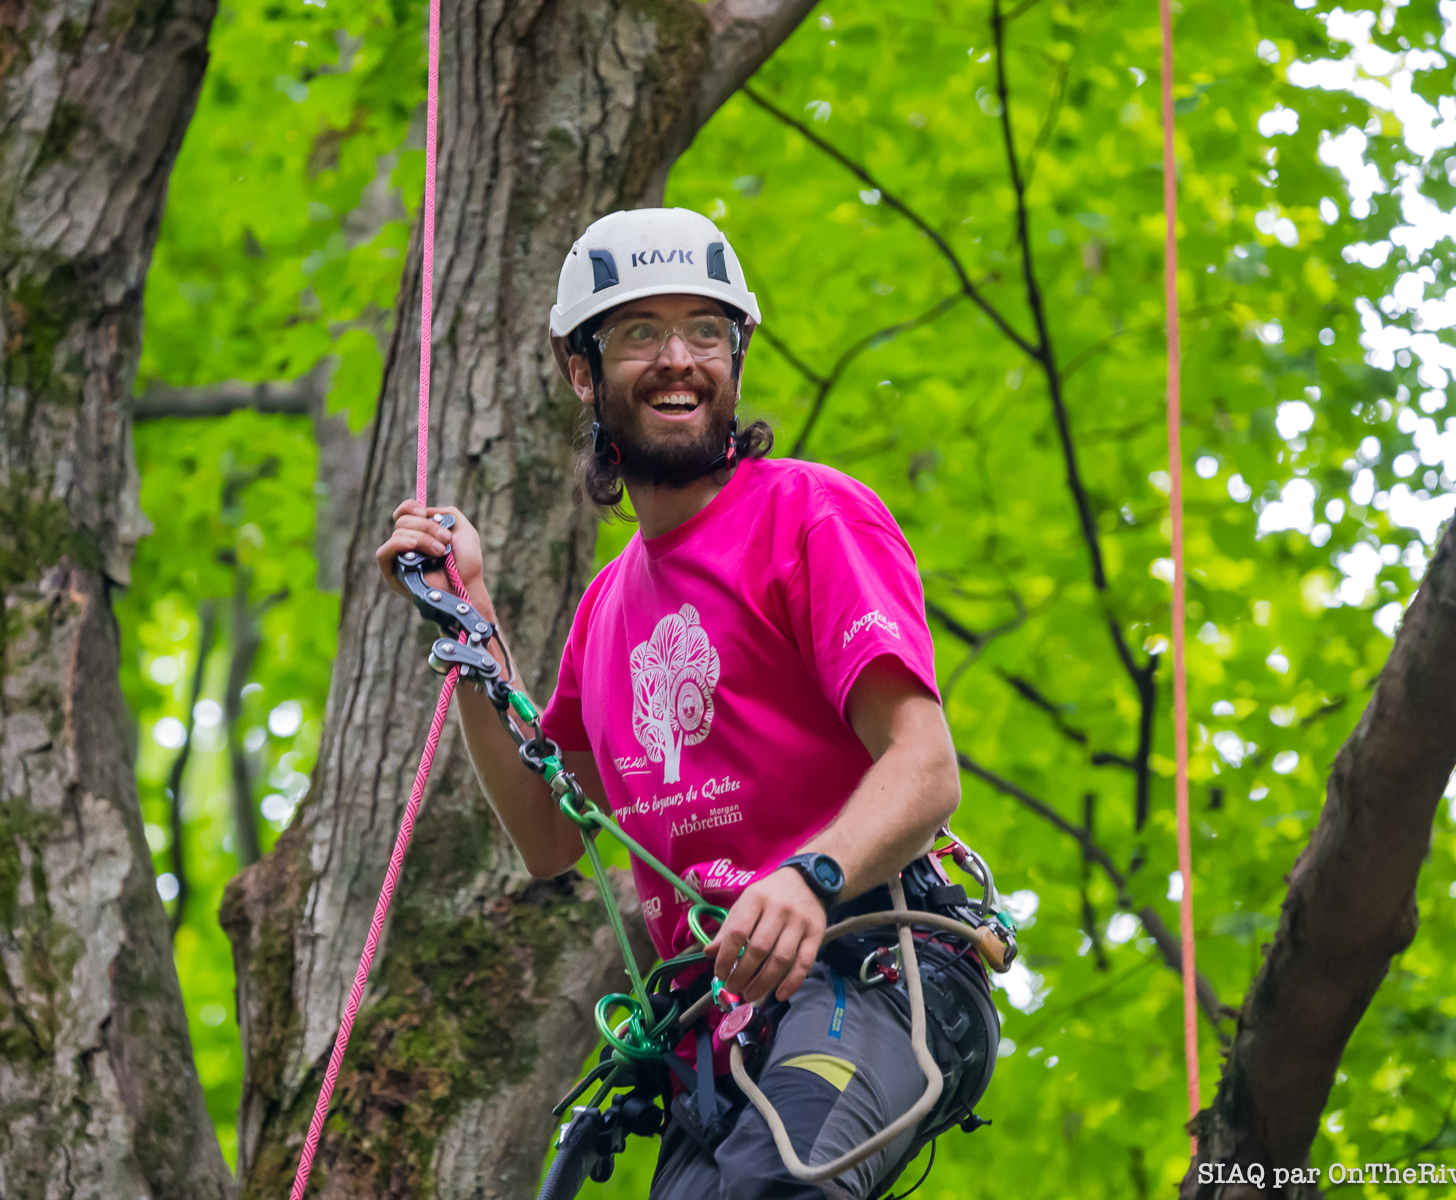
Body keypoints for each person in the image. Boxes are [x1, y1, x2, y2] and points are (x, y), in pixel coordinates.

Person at [378, 208, 998, 1200]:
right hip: (713, 1044)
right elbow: (548, 836)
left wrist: (811, 877)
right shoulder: (607, 610)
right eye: (641, 334)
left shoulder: (809, 514)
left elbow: (924, 767)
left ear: (736, 356)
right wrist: (471, 618)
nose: (679, 359)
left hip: (865, 966)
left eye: (705, 331)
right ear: (583, 371)